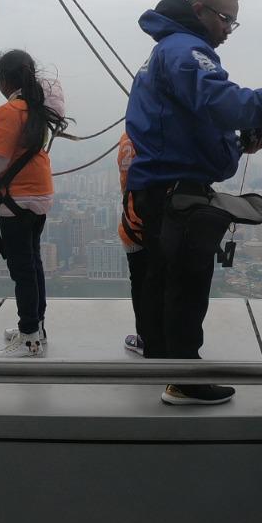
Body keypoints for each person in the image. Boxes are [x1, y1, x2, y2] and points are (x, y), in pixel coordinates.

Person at [125, 0, 262, 407]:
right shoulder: (186, 52)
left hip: (161, 188)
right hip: (176, 193)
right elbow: (223, 102)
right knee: (187, 284)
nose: (227, 30)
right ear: (200, 11)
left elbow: (189, 127)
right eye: (224, 18)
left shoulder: (168, 50)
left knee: (164, 280)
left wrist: (238, 142)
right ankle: (185, 380)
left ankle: (164, 363)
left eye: (233, 22)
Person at [0, 50, 67, 357]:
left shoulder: (9, 111)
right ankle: (35, 328)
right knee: (32, 265)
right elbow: (9, 152)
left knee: (23, 270)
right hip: (37, 196)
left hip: (16, 199)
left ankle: (30, 337)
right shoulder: (35, 108)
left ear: (5, 79)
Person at [116, 131, 149, 356]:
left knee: (140, 285)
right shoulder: (168, 128)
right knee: (168, 284)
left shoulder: (128, 136)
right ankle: (165, 338)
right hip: (165, 226)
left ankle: (145, 338)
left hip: (133, 223)